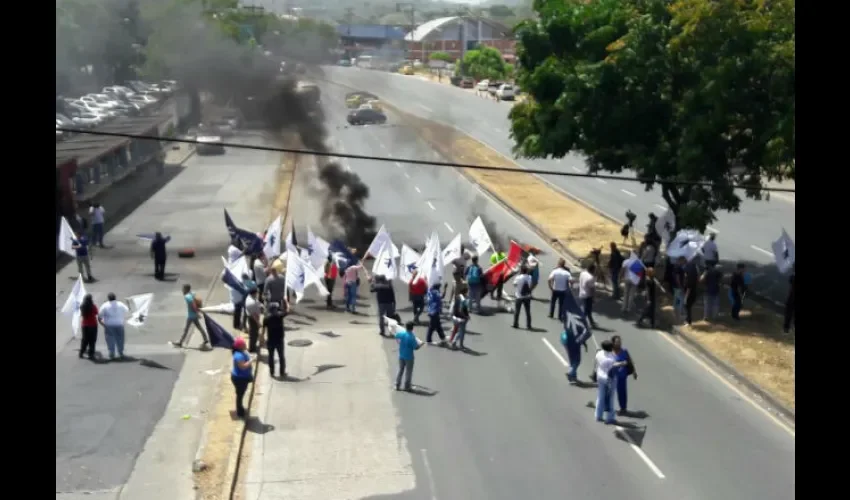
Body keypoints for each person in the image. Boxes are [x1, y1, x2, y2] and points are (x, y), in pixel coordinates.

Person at [593, 339, 628, 424]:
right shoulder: (611, 358)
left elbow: (595, 362)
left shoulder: (599, 353)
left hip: (600, 377)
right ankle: (610, 418)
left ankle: (598, 415)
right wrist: (622, 363)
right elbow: (614, 366)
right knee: (610, 398)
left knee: (600, 397)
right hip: (610, 380)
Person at [174, 284, 210, 348]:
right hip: (194, 315)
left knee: (186, 329)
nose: (182, 290)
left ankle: (180, 342)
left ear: (186, 289)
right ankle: (205, 339)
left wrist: (197, 313)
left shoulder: (187, 297)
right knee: (199, 327)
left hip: (191, 316)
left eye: (183, 289)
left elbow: (193, 305)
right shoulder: (191, 294)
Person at [98, 292, 129, 360]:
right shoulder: (120, 304)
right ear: (115, 298)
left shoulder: (105, 305)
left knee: (110, 340)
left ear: (108, 298)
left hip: (109, 325)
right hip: (119, 324)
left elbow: (99, 316)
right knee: (120, 339)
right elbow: (127, 310)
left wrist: (103, 324)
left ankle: (112, 353)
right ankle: (121, 353)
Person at [612, 335, 637, 415]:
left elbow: (630, 361)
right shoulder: (611, 352)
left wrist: (634, 372)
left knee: (622, 392)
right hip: (613, 376)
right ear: (613, 343)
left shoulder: (624, 351)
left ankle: (623, 408)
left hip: (622, 376)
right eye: (617, 342)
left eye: (620, 342)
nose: (619, 343)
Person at [394, 321, 422, 391]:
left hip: (401, 356)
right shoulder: (412, 337)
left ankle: (397, 385)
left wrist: (398, 342)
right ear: (412, 328)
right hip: (409, 357)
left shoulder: (402, 334)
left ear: (406, 327)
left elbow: (396, 336)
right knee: (408, 372)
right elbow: (416, 347)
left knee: (400, 370)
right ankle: (407, 386)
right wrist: (421, 344)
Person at [230, 337, 254, 418]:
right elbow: (243, 367)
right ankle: (240, 411)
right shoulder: (239, 356)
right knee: (240, 395)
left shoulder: (242, 352)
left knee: (241, 394)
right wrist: (251, 360)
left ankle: (240, 409)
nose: (245, 345)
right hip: (239, 379)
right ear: (240, 346)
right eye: (244, 344)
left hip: (243, 377)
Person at [263, 301, 287, 378]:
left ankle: (272, 372)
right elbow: (287, 311)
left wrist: (262, 339)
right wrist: (286, 302)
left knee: (271, 356)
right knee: (281, 356)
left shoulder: (266, 318)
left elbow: (263, 330)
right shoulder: (280, 316)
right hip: (279, 340)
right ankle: (282, 372)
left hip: (270, 340)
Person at [512, 265, 534, 329]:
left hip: (519, 296)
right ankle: (528, 325)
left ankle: (515, 324)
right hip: (527, 296)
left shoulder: (518, 277)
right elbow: (531, 285)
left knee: (517, 311)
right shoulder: (530, 277)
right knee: (528, 311)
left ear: (521, 270)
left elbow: (514, 284)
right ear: (526, 271)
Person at [450, 284, 470, 350]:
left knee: (460, 331)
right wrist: (466, 317)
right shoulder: (463, 300)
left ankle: (454, 342)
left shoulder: (457, 296)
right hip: (461, 318)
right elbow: (462, 310)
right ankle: (460, 345)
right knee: (462, 332)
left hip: (455, 316)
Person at [79, 294, 99, 359]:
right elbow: (96, 313)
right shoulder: (93, 306)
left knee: (84, 340)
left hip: (84, 325)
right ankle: (91, 354)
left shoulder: (82, 306)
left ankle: (81, 353)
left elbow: (82, 314)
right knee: (92, 340)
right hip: (93, 325)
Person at [683, 257, 700, 325]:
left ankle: (688, 321)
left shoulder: (689, 278)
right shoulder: (695, 268)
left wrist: (685, 297)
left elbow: (688, 288)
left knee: (687, 306)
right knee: (688, 306)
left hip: (689, 292)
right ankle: (688, 320)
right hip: (694, 291)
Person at [244, 289, 263, 353]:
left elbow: (257, 302)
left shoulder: (250, 297)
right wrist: (258, 323)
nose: (258, 294)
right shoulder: (251, 303)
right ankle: (252, 349)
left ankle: (253, 346)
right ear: (254, 293)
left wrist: (260, 305)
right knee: (253, 334)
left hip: (253, 317)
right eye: (257, 293)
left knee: (254, 333)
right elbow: (253, 315)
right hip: (253, 319)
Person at [784, 264, 795, 333]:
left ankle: (786, 328)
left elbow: (790, 280)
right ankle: (787, 328)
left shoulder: (792, 277)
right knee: (789, 313)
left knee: (789, 313)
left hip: (791, 297)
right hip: (791, 297)